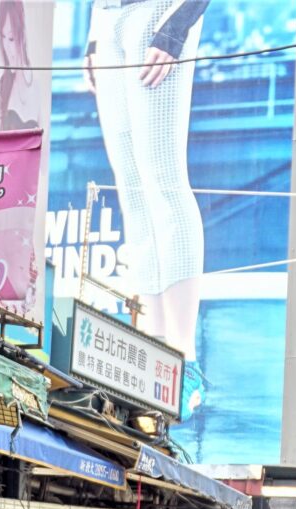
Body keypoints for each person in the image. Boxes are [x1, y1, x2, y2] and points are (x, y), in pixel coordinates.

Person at [83, 0, 211, 354]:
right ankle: (155, 351)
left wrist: (176, 25)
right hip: (108, 17)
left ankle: (184, 356)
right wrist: (94, 36)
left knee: (163, 179)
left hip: (159, 10)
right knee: (133, 190)